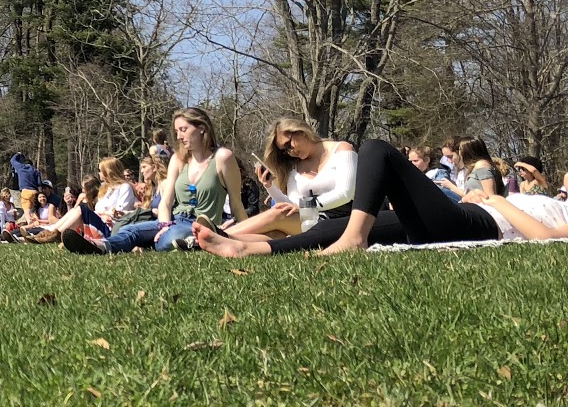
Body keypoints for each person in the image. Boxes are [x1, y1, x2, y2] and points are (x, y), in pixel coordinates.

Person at [196, 139, 505, 258]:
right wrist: (271, 189)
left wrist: (497, 201)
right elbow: (290, 199)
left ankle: (355, 238)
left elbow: (552, 235)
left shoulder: (338, 149)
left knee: (375, 149)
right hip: (438, 225)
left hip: (479, 222)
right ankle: (244, 247)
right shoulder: (295, 169)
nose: (290, 149)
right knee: (323, 232)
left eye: (292, 141)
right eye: (284, 148)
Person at [64, 107, 246, 254]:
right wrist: (164, 225)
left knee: (170, 238)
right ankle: (99, 246)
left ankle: (184, 243)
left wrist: (248, 233)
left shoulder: (222, 158)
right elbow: (166, 202)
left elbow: (237, 205)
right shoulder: (178, 160)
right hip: (174, 220)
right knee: (132, 230)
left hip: (203, 223)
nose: (179, 136)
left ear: (201, 128)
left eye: (183, 129)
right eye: (177, 131)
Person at [217, 118, 356, 242]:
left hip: (343, 221)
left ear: (301, 131)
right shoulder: (294, 166)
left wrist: (305, 206)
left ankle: (217, 236)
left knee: (277, 213)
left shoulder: (342, 148)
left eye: (289, 145)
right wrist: (269, 186)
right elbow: (291, 205)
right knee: (276, 234)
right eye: (285, 150)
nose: (290, 152)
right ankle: (222, 241)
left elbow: (346, 193)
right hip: (309, 221)